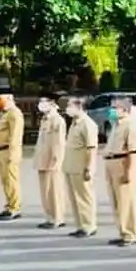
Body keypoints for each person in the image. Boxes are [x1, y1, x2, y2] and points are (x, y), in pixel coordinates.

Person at [104, 97, 136, 246]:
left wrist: (129, 172)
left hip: (123, 163)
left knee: (127, 201)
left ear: (124, 109)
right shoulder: (116, 125)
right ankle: (122, 231)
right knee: (116, 201)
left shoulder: (131, 125)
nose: (112, 110)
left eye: (115, 107)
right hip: (111, 162)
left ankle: (131, 234)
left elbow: (132, 151)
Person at [62, 98, 98, 237]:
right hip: (71, 166)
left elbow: (91, 148)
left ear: (79, 106)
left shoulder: (87, 124)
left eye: (70, 106)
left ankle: (89, 226)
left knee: (84, 198)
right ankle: (80, 225)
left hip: (81, 167)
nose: (67, 109)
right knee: (74, 198)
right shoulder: (74, 123)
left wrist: (89, 168)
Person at [34, 97, 66, 229]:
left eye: (44, 102)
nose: (41, 105)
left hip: (51, 161)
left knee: (54, 190)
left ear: (52, 104)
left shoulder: (57, 120)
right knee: (45, 191)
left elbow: (59, 143)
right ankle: (49, 216)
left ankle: (57, 218)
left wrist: (56, 159)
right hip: (42, 159)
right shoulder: (45, 119)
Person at [0, 92, 25, 220]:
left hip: (9, 151)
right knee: (5, 181)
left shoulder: (15, 113)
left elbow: (15, 136)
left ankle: (15, 207)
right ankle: (9, 205)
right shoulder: (5, 113)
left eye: (1, 99)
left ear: (9, 98)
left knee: (11, 180)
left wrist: (12, 154)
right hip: (1, 151)